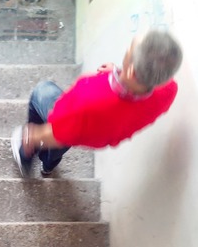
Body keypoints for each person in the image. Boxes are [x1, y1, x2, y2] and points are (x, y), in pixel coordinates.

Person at [11, 29, 183, 177]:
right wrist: (117, 72)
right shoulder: (169, 90)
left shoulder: (89, 94)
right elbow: (137, 92)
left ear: (131, 72)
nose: (126, 51)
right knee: (69, 133)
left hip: (78, 122)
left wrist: (33, 136)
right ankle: (48, 166)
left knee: (43, 91)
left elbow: (57, 127)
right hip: (98, 132)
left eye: (129, 49)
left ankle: (26, 154)